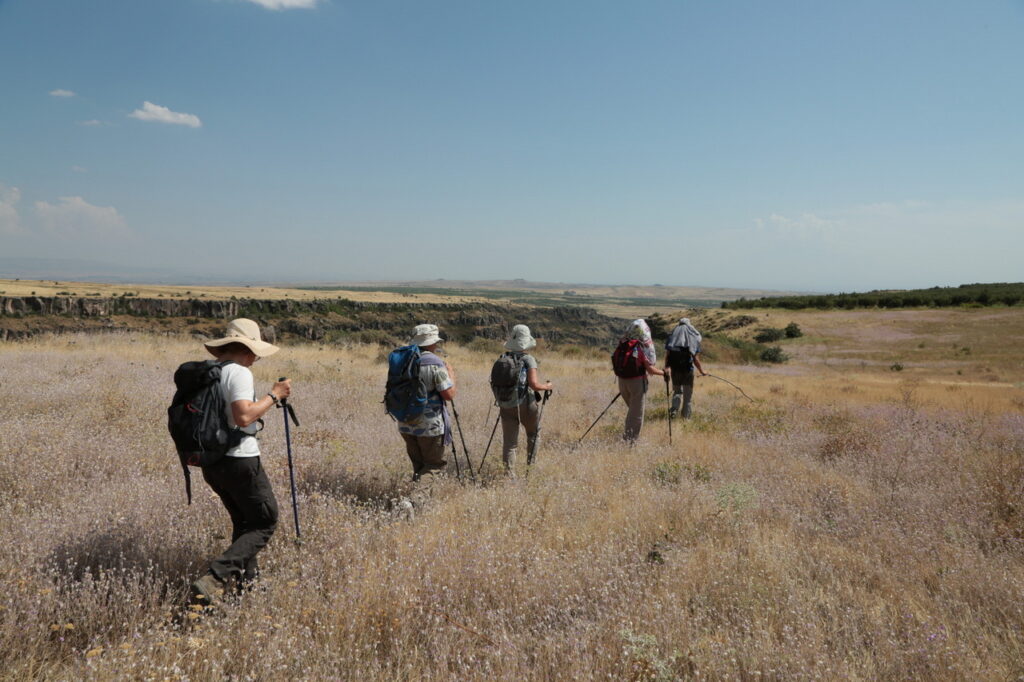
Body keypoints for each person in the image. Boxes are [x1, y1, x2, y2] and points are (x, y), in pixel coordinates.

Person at [190, 318, 291, 605]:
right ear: (247, 349)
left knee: (245, 522)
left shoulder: (211, 372)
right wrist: (275, 395)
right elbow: (244, 416)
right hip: (240, 459)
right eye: (255, 353)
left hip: (213, 460)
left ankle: (248, 587)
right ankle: (215, 578)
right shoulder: (239, 373)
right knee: (265, 521)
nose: (256, 359)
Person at [396, 324, 457, 481]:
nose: (437, 345)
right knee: (433, 466)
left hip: (405, 422)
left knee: (419, 465)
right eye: (435, 342)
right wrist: (450, 374)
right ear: (430, 343)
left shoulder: (403, 361)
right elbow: (449, 394)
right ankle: (414, 501)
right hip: (429, 426)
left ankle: (416, 503)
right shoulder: (434, 363)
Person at [495, 325, 553, 474]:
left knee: (510, 443)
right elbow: (534, 385)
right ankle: (529, 470)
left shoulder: (503, 358)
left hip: (505, 404)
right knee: (533, 434)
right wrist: (546, 386)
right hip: (525, 404)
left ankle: (509, 476)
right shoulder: (528, 359)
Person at [613, 319, 669, 442]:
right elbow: (651, 370)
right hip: (637, 383)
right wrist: (664, 373)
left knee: (632, 411)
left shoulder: (623, 344)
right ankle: (630, 441)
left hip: (622, 382)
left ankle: (628, 437)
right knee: (636, 414)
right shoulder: (640, 347)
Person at [664, 317, 706, 419]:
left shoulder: (672, 337)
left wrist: (666, 368)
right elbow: (695, 359)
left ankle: (674, 410)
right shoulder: (692, 338)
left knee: (677, 392)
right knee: (687, 397)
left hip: (675, 371)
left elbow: (667, 356)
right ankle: (685, 418)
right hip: (687, 371)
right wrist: (702, 371)